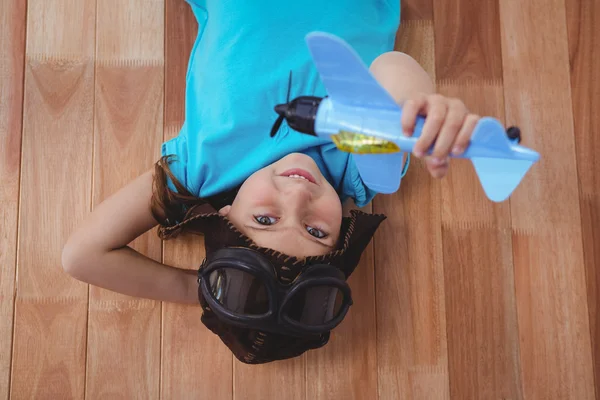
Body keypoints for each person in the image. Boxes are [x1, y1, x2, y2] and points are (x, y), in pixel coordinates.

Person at [62, 0, 481, 364]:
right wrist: (419, 109)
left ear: (225, 216)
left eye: (264, 220)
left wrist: (203, 292)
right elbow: (391, 68)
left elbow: (81, 256)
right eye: (316, 230)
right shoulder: (359, 168)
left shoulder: (201, 169)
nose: (298, 197)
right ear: (339, 234)